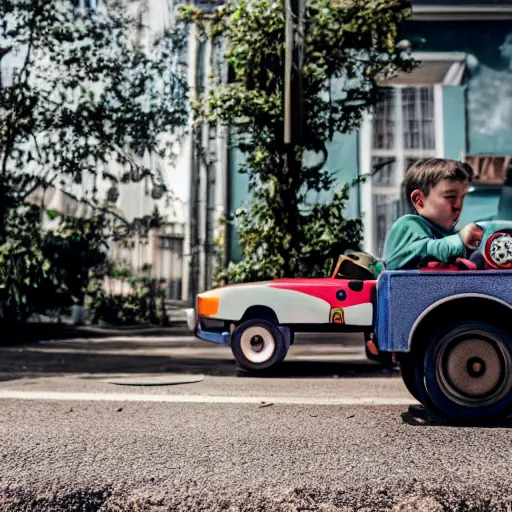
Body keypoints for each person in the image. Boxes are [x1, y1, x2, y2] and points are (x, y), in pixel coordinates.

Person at [383, 158, 484, 270]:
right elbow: (422, 251)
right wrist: (460, 239)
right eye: (450, 197)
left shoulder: (447, 235)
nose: (458, 206)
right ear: (419, 200)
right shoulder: (408, 225)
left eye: (462, 198)